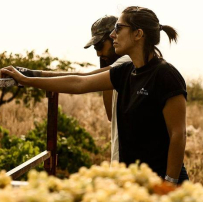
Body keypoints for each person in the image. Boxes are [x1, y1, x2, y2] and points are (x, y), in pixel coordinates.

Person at [0, 6, 189, 185]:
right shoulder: (125, 71)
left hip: (161, 182)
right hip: (134, 181)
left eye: (118, 28)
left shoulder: (165, 75)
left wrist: (169, 183)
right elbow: (79, 82)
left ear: (138, 34)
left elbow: (178, 134)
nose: (113, 34)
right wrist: (26, 80)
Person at [16, 15, 130, 162]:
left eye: (99, 46)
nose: (98, 53)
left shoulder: (128, 62)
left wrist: (30, 76)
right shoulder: (119, 67)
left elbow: (80, 80)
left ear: (114, 37)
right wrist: (106, 63)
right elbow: (111, 114)